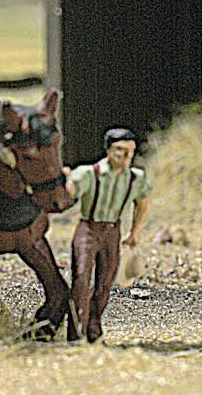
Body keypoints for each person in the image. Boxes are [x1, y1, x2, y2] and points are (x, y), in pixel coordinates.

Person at [64, 127, 150, 343]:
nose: (126, 156)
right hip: (88, 230)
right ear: (109, 150)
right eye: (120, 150)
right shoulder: (89, 173)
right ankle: (76, 333)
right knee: (81, 280)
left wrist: (135, 231)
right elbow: (69, 193)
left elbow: (143, 202)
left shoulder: (135, 178)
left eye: (130, 151)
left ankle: (94, 329)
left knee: (105, 283)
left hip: (113, 231)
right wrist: (65, 179)